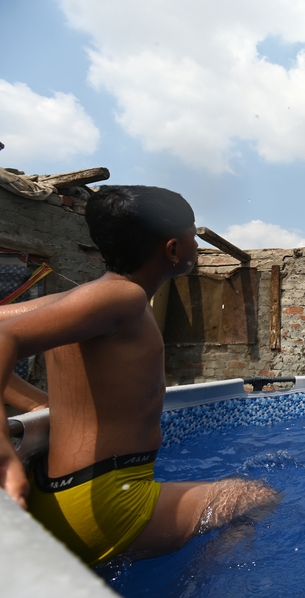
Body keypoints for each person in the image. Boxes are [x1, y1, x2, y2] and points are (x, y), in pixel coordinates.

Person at [0, 185, 278, 566]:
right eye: (193, 233)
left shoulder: (84, 298)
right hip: (101, 505)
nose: (197, 243)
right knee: (254, 498)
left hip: (54, 494)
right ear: (173, 250)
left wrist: (37, 403)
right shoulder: (124, 298)